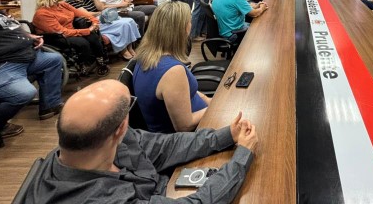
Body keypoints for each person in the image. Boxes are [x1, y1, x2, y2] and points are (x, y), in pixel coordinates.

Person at [28, 79, 258, 203]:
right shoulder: (98, 199)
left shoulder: (96, 142)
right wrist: (241, 157)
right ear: (120, 127)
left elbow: (168, 147)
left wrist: (226, 135)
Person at [0, 0, 63, 138]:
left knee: (54, 60)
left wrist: (29, 36)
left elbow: (8, 28)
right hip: (3, 65)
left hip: (25, 58)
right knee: (24, 94)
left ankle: (49, 106)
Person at [133, 1, 211, 133]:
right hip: (189, 137)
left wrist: (209, 100)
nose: (191, 25)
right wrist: (215, 108)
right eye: (189, 21)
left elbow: (187, 92)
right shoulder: (172, 71)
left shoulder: (146, 56)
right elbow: (185, 125)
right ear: (182, 29)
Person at [33, 0, 109, 76]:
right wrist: (87, 30)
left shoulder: (63, 5)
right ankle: (82, 63)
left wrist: (94, 22)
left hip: (70, 31)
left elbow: (84, 15)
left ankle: (100, 60)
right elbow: (62, 31)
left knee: (93, 37)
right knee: (83, 42)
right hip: (56, 37)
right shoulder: (42, 13)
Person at [64, 0, 140, 61]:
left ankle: (130, 48)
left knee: (130, 21)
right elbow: (87, 14)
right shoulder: (71, 3)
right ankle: (123, 51)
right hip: (92, 23)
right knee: (124, 24)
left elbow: (101, 7)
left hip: (102, 18)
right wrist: (99, 13)